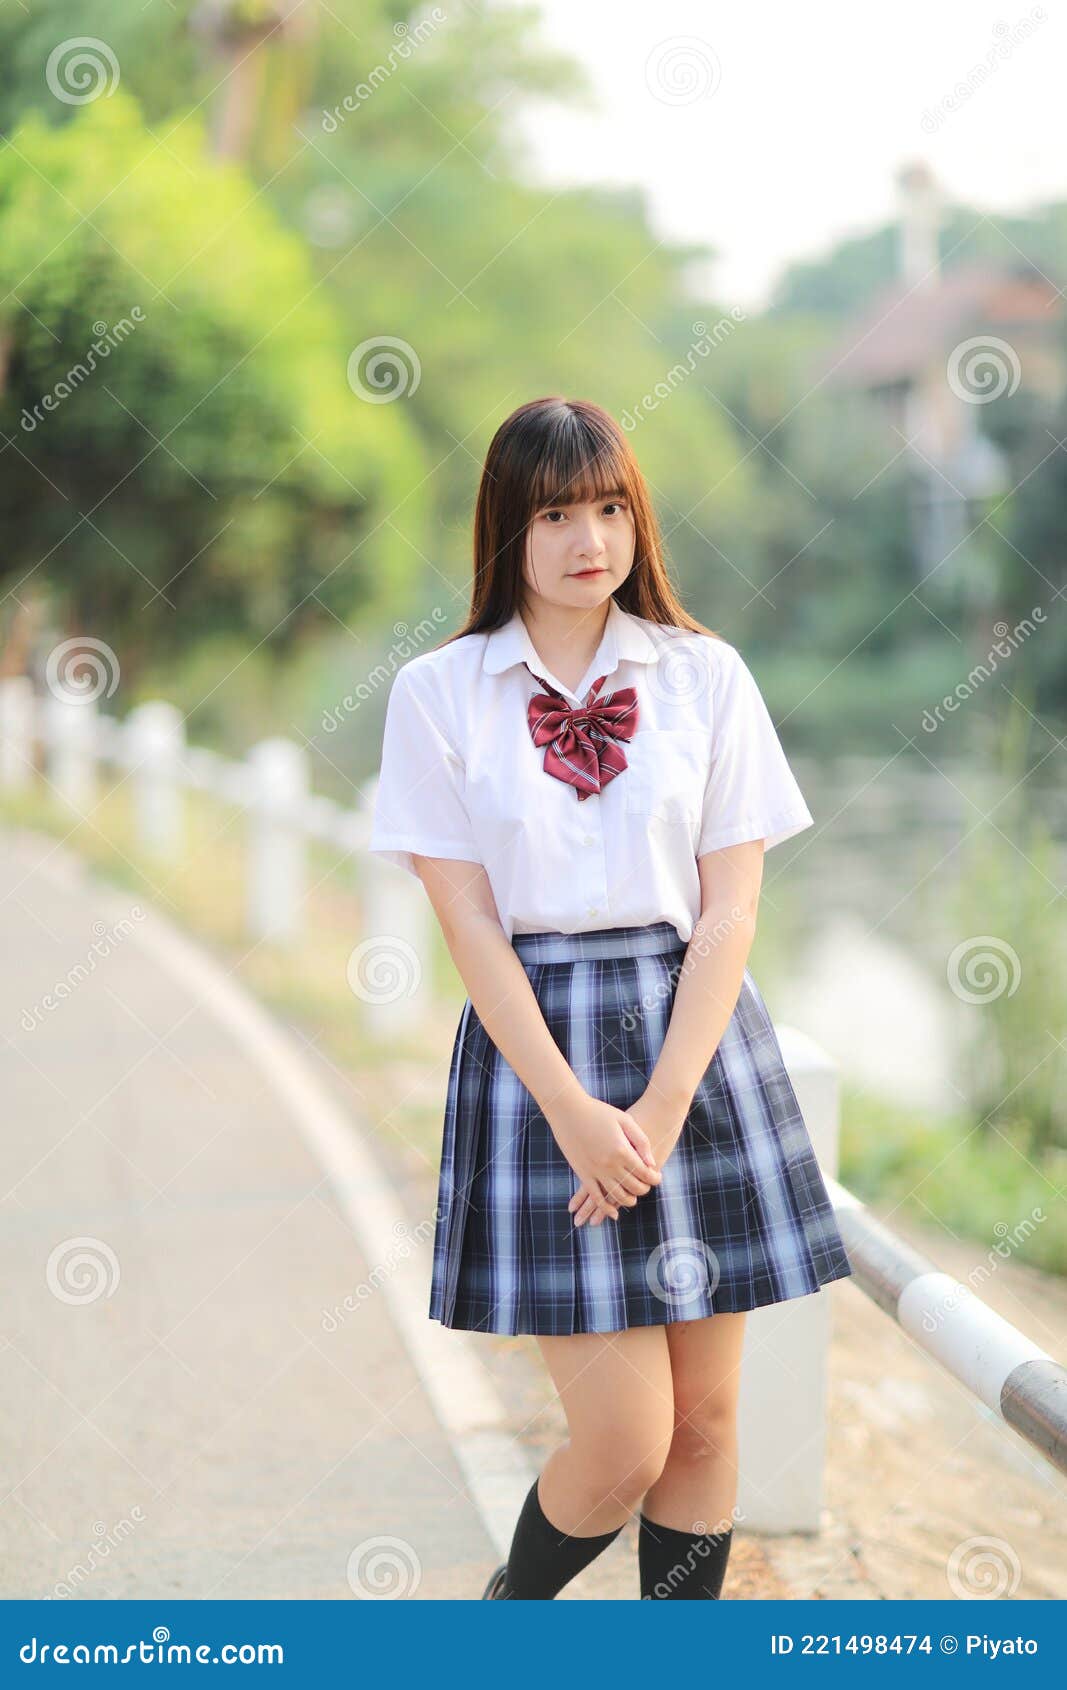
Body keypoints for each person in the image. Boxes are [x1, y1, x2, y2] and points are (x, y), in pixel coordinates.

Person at [368, 395, 853, 1601]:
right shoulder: (438, 694)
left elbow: (730, 905)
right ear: (505, 530)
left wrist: (666, 1099)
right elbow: (468, 923)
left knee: (702, 1425)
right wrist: (576, 1111)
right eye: (554, 513)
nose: (589, 538)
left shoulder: (704, 676)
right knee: (621, 1444)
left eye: (610, 508)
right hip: (539, 1051)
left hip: (694, 1036)